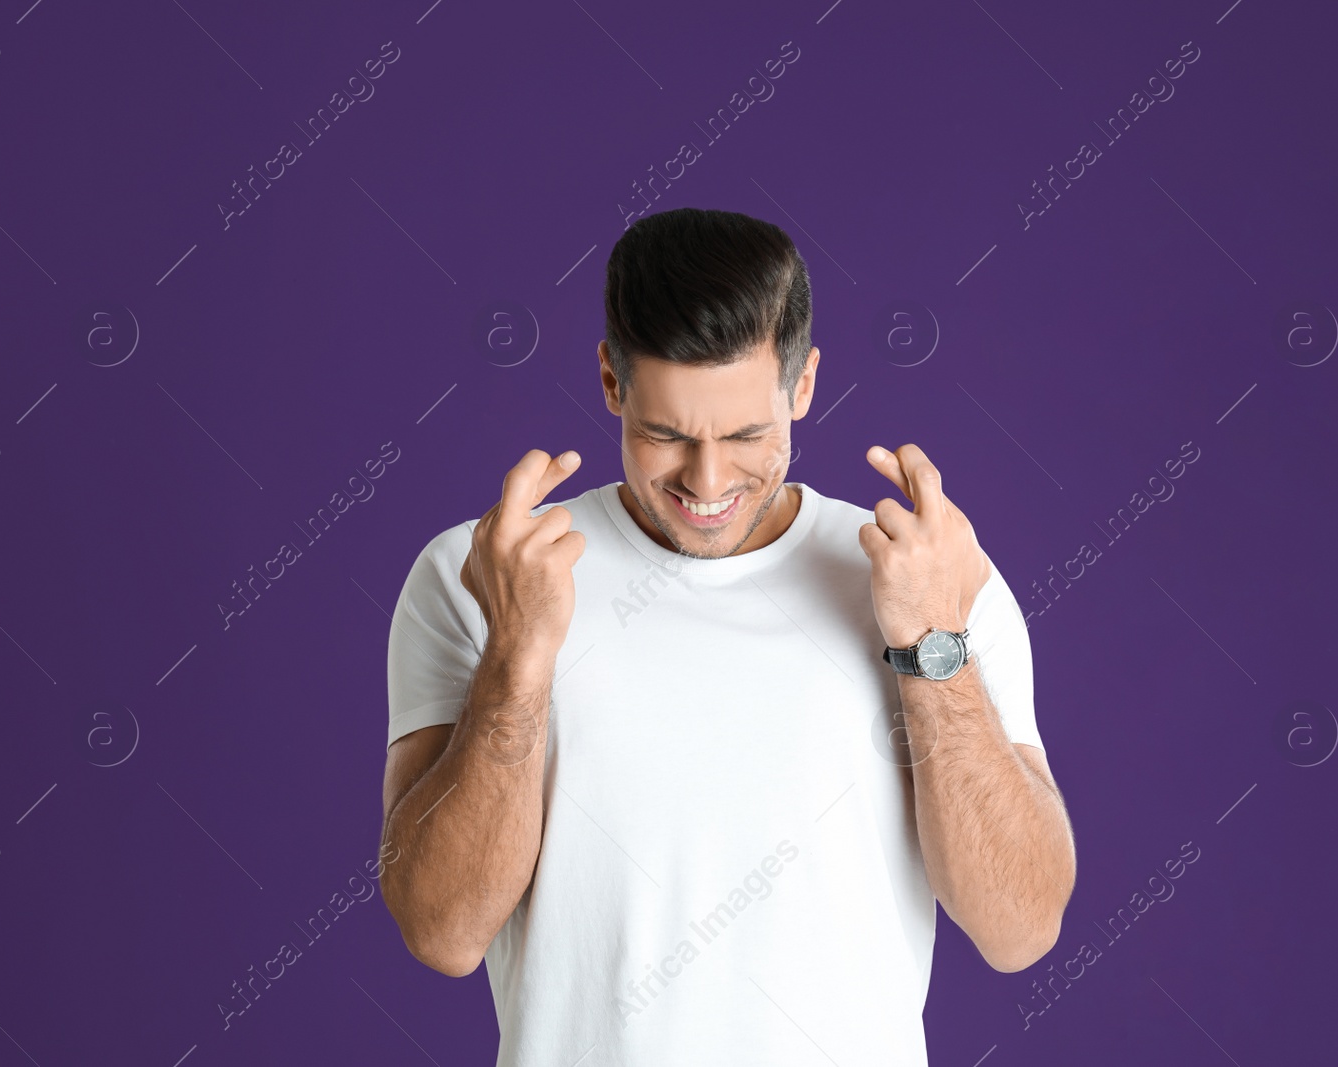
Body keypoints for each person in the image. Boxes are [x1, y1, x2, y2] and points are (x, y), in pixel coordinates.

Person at [379, 206, 1075, 1065]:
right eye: (666, 434)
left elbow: (1022, 927)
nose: (706, 481)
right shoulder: (485, 574)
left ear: (806, 384)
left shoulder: (933, 577)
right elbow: (442, 931)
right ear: (609, 381)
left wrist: (934, 642)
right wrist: (519, 655)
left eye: (747, 434)